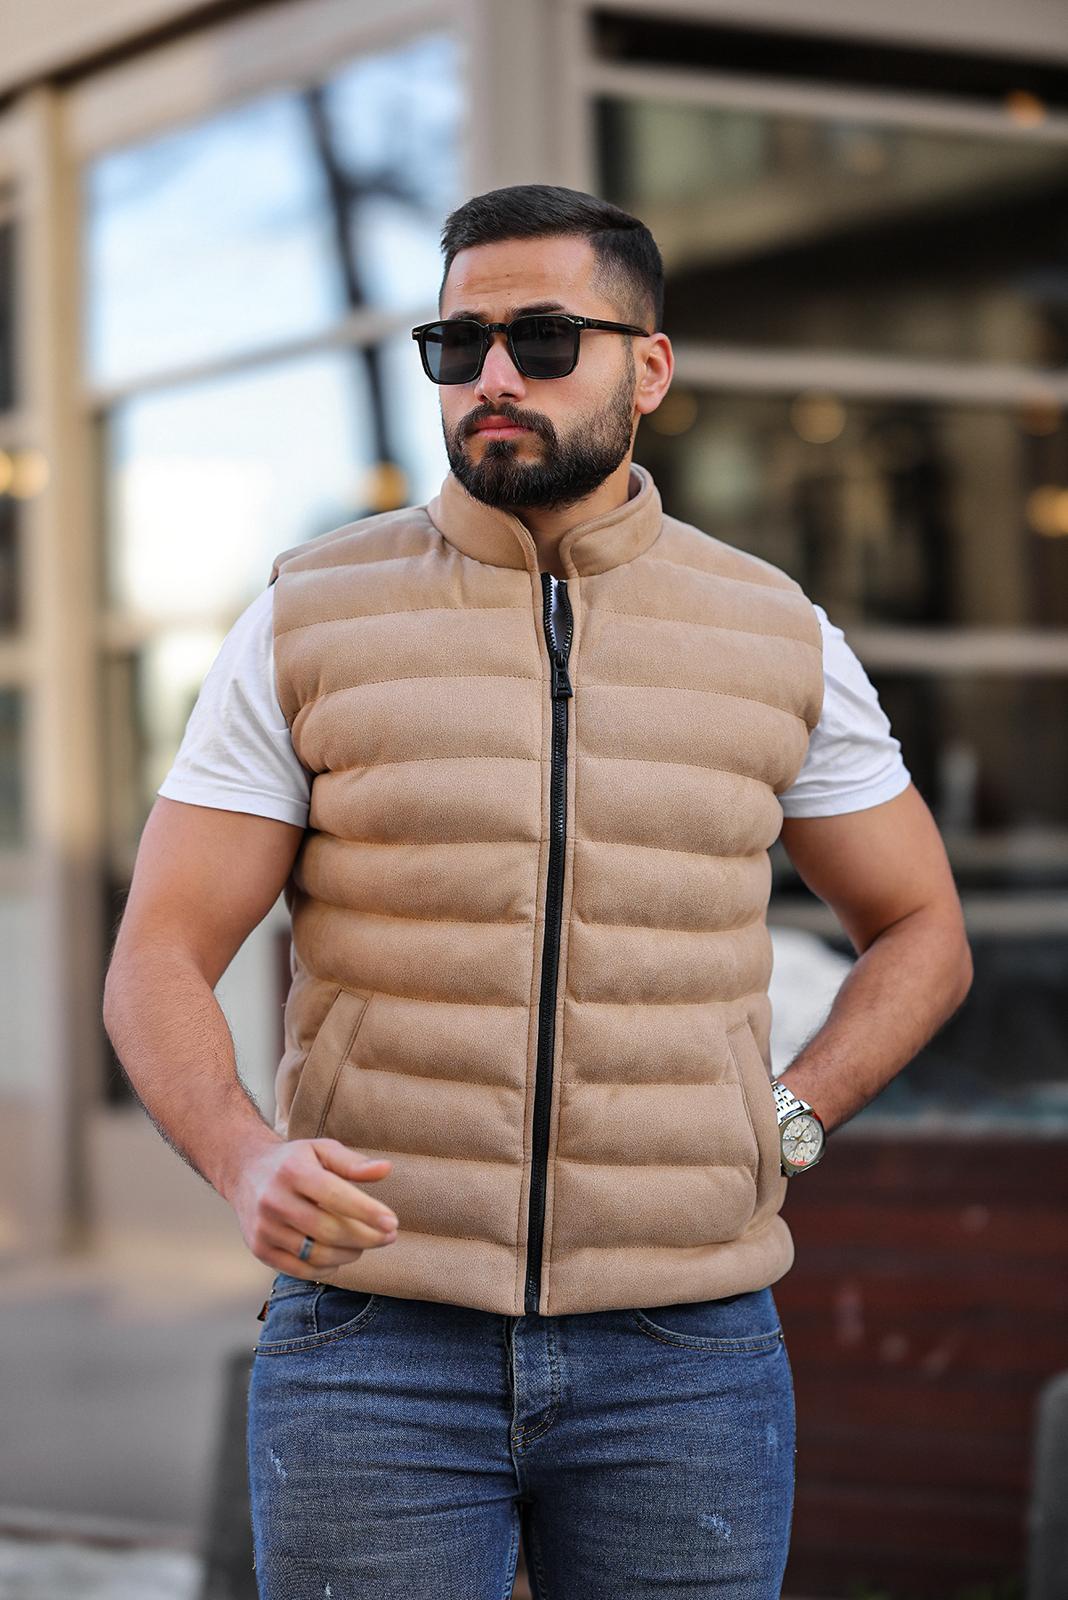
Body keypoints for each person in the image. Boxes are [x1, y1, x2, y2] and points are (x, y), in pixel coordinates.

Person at [103, 184, 972, 1599]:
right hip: (375, 1341)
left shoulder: (777, 635)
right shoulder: (307, 617)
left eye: (545, 338)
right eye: (459, 345)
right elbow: (160, 950)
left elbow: (923, 930)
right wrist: (243, 1156)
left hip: (686, 1348)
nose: (494, 376)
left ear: (650, 367)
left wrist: (790, 1117)